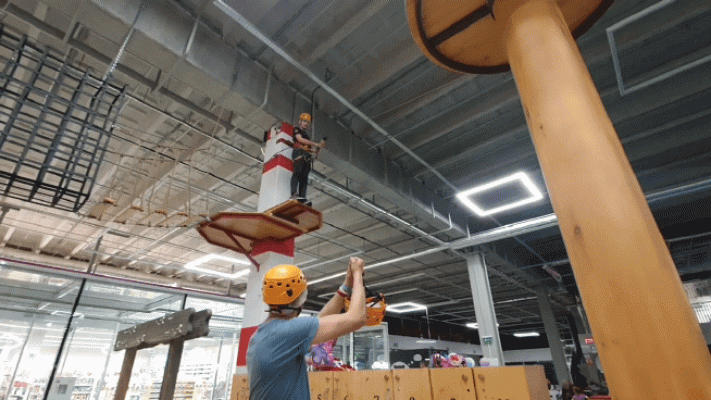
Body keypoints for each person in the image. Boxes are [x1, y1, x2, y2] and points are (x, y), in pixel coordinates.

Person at [247, 257, 367, 400]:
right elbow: (357, 318)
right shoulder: (287, 332)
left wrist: (346, 286)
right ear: (300, 298)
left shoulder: (262, 334)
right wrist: (358, 274)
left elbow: (319, 322)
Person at [290, 112, 324, 204]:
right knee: (297, 173)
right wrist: (315, 144)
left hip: (307, 157)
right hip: (299, 154)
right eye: (305, 121)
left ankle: (302, 198)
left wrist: (317, 150)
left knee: (304, 178)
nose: (306, 124)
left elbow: (311, 149)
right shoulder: (297, 130)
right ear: (300, 121)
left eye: (308, 123)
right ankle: (293, 193)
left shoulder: (307, 136)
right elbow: (300, 139)